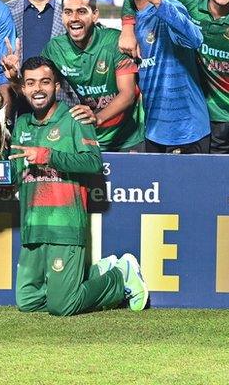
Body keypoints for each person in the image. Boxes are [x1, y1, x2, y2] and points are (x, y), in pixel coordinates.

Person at [10, 56, 147, 315]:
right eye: (30, 83)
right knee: (27, 302)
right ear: (24, 88)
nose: (37, 89)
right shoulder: (21, 124)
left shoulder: (76, 118)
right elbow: (19, 174)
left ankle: (119, 278)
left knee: (63, 306)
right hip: (33, 225)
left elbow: (93, 163)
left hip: (65, 224)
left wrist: (47, 155)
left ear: (57, 86)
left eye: (44, 82)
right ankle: (97, 272)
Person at [28, 0, 144, 152]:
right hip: (89, 138)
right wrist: (14, 79)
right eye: (68, 12)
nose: (74, 18)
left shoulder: (113, 42)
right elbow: (39, 85)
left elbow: (128, 94)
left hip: (128, 138)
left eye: (81, 11)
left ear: (95, 15)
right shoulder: (55, 48)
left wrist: (97, 117)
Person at [120, 0, 210, 153]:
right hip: (154, 129)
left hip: (187, 130)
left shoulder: (170, 6)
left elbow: (195, 39)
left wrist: (158, 0)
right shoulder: (134, 19)